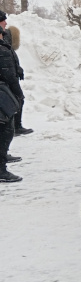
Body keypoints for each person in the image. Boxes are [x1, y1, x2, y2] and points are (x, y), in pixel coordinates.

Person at [0, 10, 24, 182]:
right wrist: (18, 94)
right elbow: (7, 73)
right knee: (5, 130)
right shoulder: (1, 47)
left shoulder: (4, 44)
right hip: (3, 93)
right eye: (3, 22)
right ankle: (1, 168)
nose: (5, 24)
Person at [1, 19, 31, 136]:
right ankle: (14, 127)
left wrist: (17, 68)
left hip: (9, 77)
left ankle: (15, 126)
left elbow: (11, 56)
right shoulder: (4, 40)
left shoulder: (6, 38)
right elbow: (6, 62)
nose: (6, 23)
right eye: (3, 20)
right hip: (6, 80)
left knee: (16, 101)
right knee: (14, 101)